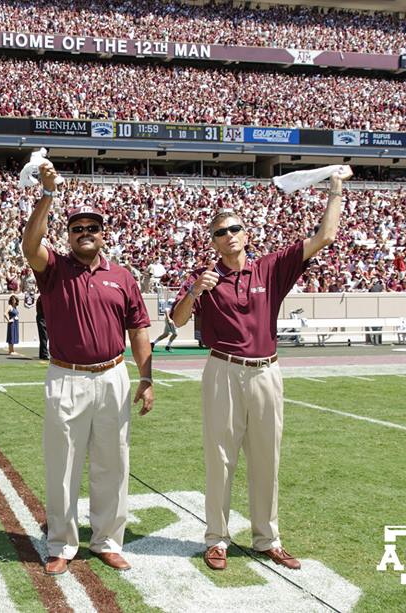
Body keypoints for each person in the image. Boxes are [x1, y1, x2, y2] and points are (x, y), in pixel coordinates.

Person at [171, 166, 354, 572]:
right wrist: (196, 290)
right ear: (214, 242)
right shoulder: (204, 278)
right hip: (222, 369)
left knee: (266, 458)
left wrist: (336, 189)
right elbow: (178, 320)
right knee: (219, 459)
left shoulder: (269, 268)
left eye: (235, 228)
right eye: (221, 232)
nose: (229, 235)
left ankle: (266, 538)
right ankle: (217, 539)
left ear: (246, 234)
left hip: (266, 370)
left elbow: (325, 237)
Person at [20, 162, 154, 576]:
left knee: (113, 463)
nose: (85, 234)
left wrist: (147, 378)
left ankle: (108, 539)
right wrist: (47, 194)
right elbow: (30, 244)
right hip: (66, 375)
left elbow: (138, 328)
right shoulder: (55, 268)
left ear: (102, 233)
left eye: (92, 228)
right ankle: (61, 542)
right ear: (69, 235)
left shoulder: (122, 276)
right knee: (63, 465)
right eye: (77, 228)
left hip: (113, 374)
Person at [35, 295, 49, 360]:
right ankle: (44, 354)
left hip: (43, 317)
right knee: (44, 336)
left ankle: (42, 354)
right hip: (42, 317)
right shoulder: (42, 298)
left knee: (44, 337)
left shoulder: (42, 298)